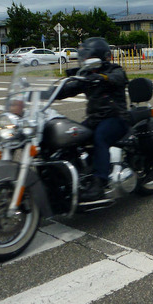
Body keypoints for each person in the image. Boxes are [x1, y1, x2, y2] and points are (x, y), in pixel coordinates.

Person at [56, 37, 130, 201]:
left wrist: (103, 78)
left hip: (116, 118)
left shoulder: (114, 70)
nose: (84, 60)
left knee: (100, 137)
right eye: (83, 57)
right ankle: (78, 174)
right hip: (95, 119)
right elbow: (69, 90)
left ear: (100, 57)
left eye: (88, 57)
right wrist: (43, 93)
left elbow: (119, 78)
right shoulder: (88, 76)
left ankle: (100, 182)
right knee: (71, 136)